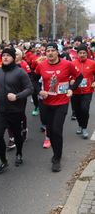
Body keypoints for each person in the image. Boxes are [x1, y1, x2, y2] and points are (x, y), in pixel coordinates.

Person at [35, 43, 83, 172]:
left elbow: (79, 77)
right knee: (49, 130)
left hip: (61, 103)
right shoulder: (41, 65)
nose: (50, 53)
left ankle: (57, 158)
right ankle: (55, 149)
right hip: (46, 103)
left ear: (57, 52)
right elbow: (33, 80)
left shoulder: (67, 64)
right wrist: (40, 91)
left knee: (57, 130)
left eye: (52, 50)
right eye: (47, 51)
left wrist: (71, 89)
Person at [0, 48, 33, 174]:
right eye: (3, 55)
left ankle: (19, 153)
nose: (5, 57)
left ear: (13, 57)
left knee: (17, 135)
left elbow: (30, 89)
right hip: (0, 110)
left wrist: (17, 96)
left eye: (8, 55)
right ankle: (3, 160)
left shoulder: (20, 72)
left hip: (15, 110)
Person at [71, 44, 95, 139]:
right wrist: (71, 80)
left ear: (87, 53)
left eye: (84, 53)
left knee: (84, 109)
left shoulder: (92, 63)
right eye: (80, 53)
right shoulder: (72, 63)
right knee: (76, 111)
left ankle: (84, 128)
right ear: (77, 54)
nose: (82, 54)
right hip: (75, 91)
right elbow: (69, 75)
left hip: (87, 91)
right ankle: (80, 125)